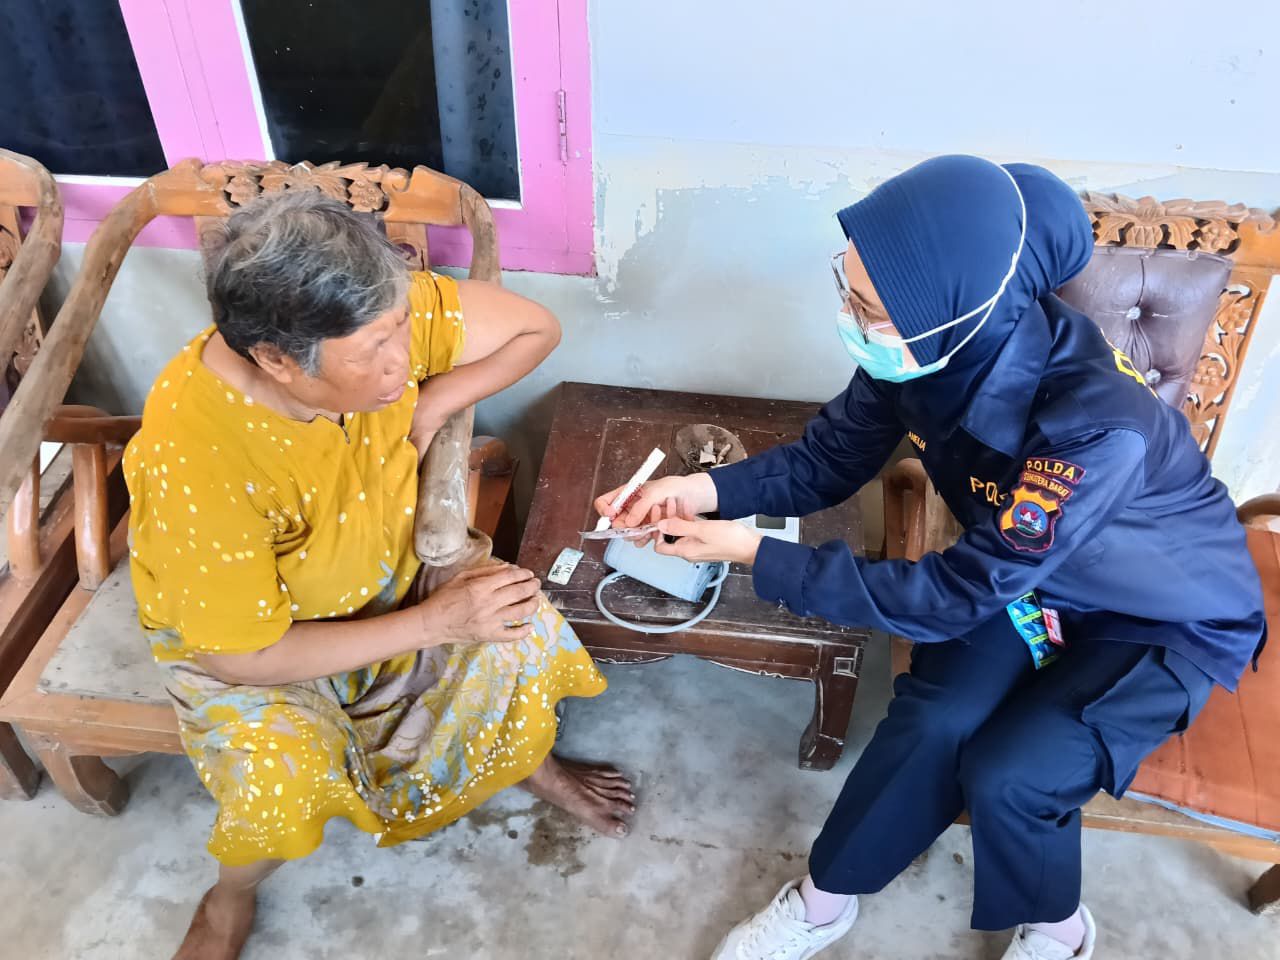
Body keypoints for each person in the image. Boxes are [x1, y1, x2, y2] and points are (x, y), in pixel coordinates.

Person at [596, 156, 1266, 960]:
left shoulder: (1094, 426)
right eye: (845, 289)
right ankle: (823, 901)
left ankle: (1059, 926)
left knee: (1012, 773)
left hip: (1158, 611)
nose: (850, 319)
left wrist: (751, 553)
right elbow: (824, 461)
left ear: (963, 313)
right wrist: (699, 493)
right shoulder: (918, 347)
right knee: (931, 717)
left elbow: (954, 595)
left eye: (867, 307)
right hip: (1030, 579)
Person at [126, 190, 635, 960]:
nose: (401, 363)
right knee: (279, 786)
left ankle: (528, 763)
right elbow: (238, 655)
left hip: (396, 567)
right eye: (374, 351)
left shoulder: (360, 311)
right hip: (263, 651)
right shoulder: (199, 455)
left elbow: (538, 327)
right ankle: (229, 895)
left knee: (521, 632)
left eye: (402, 329)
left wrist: (438, 400)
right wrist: (434, 625)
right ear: (274, 360)